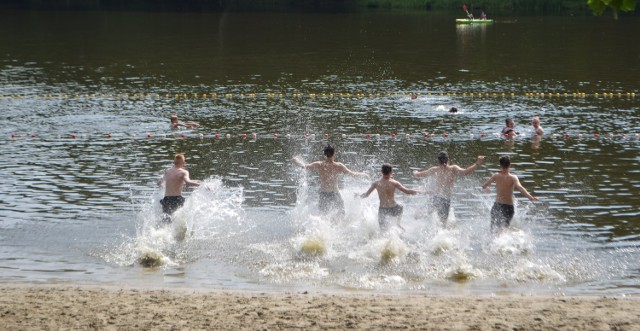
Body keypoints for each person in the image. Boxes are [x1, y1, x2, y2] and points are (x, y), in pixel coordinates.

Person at [413, 151, 485, 226]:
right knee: (443, 225)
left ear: (438, 160)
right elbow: (465, 172)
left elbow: (419, 175)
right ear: (448, 160)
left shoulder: (435, 169)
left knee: (418, 215)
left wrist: (415, 172)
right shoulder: (453, 168)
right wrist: (477, 163)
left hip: (436, 198)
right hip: (445, 200)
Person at [293, 144, 366, 217]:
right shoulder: (338, 166)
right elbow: (352, 174)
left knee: (323, 216)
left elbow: (304, 166)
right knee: (341, 215)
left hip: (323, 194)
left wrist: (296, 160)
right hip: (335, 194)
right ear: (334, 153)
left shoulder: (320, 164)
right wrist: (363, 174)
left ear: (324, 154)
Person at [482, 155, 538, 233]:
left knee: (493, 230)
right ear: (510, 165)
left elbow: (484, 186)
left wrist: (487, 188)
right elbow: (520, 187)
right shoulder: (513, 177)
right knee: (503, 230)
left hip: (497, 206)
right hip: (509, 207)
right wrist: (530, 197)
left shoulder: (496, 176)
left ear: (500, 165)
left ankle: (492, 244)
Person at [361, 164, 421, 232]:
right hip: (394, 208)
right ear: (391, 172)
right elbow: (407, 191)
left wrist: (358, 196)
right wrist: (421, 192)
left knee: (383, 231)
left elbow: (366, 195)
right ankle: (398, 224)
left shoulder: (376, 183)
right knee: (400, 206)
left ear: (381, 171)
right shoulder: (394, 183)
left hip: (383, 210)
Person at [158, 153, 201, 219]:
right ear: (183, 162)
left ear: (174, 162)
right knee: (178, 219)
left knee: (166, 220)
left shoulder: (167, 171)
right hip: (177, 200)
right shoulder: (184, 172)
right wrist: (201, 184)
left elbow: (159, 183)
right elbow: (188, 182)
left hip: (166, 199)